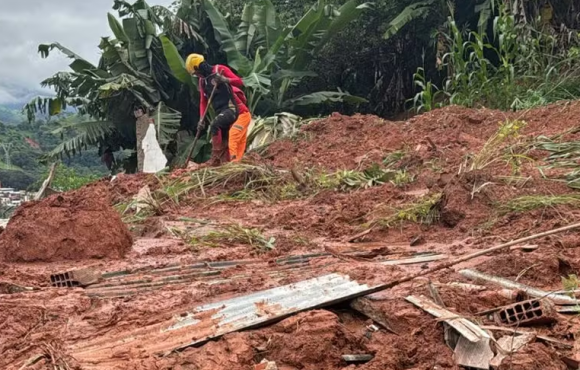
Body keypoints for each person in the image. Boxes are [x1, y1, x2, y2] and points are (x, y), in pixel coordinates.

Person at [185, 54, 252, 165]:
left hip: (231, 109)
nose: (198, 75)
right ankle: (227, 162)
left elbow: (240, 82)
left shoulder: (219, 69)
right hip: (221, 112)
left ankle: (216, 157)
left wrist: (225, 80)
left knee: (216, 126)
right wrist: (201, 119)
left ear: (199, 67)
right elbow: (203, 101)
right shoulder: (203, 82)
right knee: (225, 140)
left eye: (196, 73)